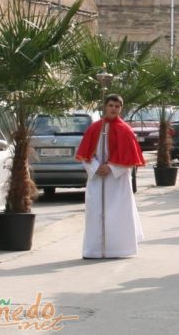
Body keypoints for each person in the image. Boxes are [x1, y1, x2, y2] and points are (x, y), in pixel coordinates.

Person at [76, 94, 144, 259]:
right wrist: (95, 167)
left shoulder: (125, 130)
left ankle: (118, 249)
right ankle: (94, 250)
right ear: (105, 107)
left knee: (117, 214)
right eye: (111, 105)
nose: (113, 109)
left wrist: (112, 168)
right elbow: (85, 155)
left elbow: (130, 159)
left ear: (120, 109)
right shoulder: (94, 128)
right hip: (97, 178)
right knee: (95, 213)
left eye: (117, 106)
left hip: (117, 181)